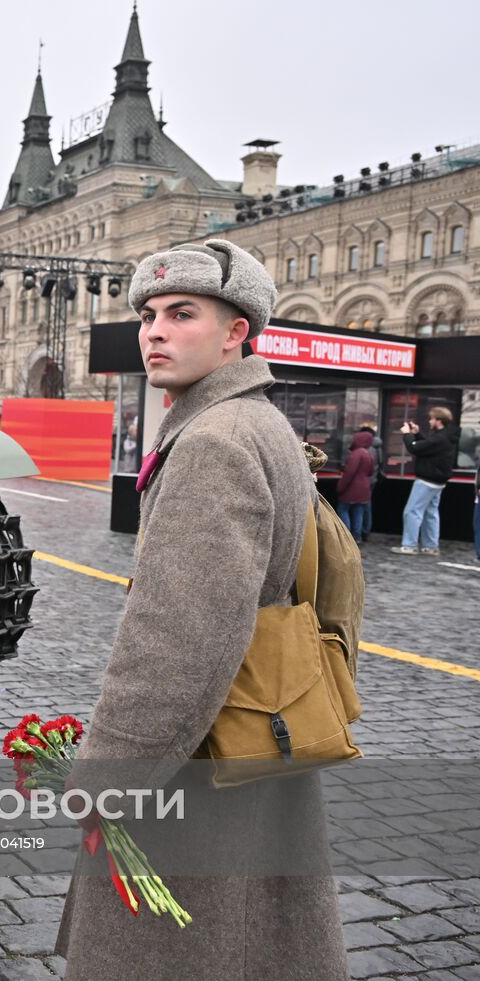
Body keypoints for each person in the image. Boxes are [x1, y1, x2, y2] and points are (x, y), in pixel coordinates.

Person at [56, 239, 348, 980]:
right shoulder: (257, 420)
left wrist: (108, 775)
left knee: (177, 951)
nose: (154, 331)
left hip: (198, 767)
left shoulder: (215, 440)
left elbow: (178, 638)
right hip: (255, 734)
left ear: (235, 332)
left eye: (181, 313)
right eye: (148, 315)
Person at [391, 406, 459, 556]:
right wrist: (417, 434)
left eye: (432, 419)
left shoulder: (440, 438)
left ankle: (409, 545)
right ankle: (431, 546)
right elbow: (428, 447)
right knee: (431, 513)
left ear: (439, 420)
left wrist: (407, 434)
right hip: (438, 481)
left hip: (427, 480)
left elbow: (415, 448)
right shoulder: (446, 436)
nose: (429, 421)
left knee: (412, 512)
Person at [335, 430, 375, 543]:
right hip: (364, 488)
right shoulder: (369, 454)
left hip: (352, 488)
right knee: (358, 512)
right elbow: (370, 472)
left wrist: (340, 487)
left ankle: (346, 537)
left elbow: (350, 472)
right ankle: (356, 537)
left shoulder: (356, 453)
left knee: (343, 509)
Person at [356, 425, 381, 541]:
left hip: (365, 481)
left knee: (362, 508)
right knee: (366, 506)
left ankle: (363, 531)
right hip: (372, 480)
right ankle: (365, 531)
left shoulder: (367, 449)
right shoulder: (377, 447)